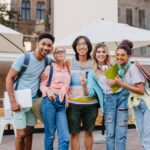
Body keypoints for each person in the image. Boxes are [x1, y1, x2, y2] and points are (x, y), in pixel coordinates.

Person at [6, 33, 55, 150]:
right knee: (21, 134)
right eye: (43, 44)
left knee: (29, 132)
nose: (46, 47)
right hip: (19, 101)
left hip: (34, 101)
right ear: (37, 44)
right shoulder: (23, 58)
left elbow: (60, 67)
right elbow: (9, 78)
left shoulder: (47, 61)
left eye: (49, 45)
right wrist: (13, 101)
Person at [81, 43, 129, 150]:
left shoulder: (114, 65)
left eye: (103, 52)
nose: (101, 54)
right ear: (95, 54)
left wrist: (112, 72)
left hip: (122, 98)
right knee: (110, 134)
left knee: (121, 133)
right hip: (109, 100)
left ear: (107, 54)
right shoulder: (92, 72)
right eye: (98, 52)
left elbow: (123, 75)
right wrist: (84, 85)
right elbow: (89, 93)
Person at [114, 40, 150, 150]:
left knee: (146, 137)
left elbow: (141, 90)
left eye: (123, 55)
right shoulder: (124, 69)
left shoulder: (133, 68)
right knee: (143, 137)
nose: (119, 57)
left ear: (129, 56)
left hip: (145, 104)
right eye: (117, 55)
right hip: (136, 104)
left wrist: (122, 84)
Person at [66, 36, 99, 150]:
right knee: (74, 134)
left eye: (84, 44)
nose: (81, 46)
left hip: (91, 104)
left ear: (88, 46)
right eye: (79, 44)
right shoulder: (69, 62)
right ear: (75, 47)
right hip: (73, 104)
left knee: (88, 133)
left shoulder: (94, 63)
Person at [40, 47, 70, 150]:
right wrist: (48, 91)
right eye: (58, 52)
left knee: (65, 137)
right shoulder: (50, 68)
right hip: (50, 101)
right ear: (54, 55)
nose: (61, 53)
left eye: (63, 51)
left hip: (61, 104)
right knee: (50, 135)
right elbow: (42, 85)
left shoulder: (67, 68)